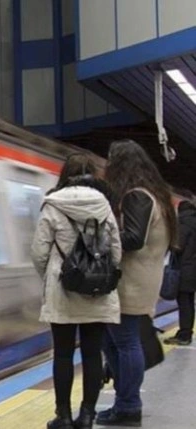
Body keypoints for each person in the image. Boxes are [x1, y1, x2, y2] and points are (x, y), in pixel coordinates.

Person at [31, 153, 122, 429]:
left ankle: (64, 417)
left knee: (63, 354)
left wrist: (52, 276)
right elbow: (116, 252)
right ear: (93, 175)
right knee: (93, 354)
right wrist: (99, 275)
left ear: (65, 175)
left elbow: (39, 252)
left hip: (63, 291)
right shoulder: (104, 206)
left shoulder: (53, 204)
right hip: (97, 293)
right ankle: (87, 416)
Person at [97, 139, 178, 426]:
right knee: (114, 341)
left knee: (124, 342)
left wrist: (101, 240)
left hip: (131, 282)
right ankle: (124, 402)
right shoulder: (156, 195)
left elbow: (132, 238)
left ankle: (129, 406)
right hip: (142, 279)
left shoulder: (136, 196)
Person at [165, 188, 196, 346]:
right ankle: (186, 332)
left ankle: (184, 335)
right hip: (192, 269)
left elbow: (178, 245)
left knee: (184, 303)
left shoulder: (184, 221)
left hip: (185, 269)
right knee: (189, 302)